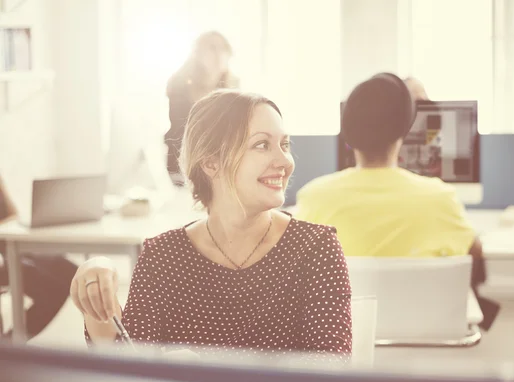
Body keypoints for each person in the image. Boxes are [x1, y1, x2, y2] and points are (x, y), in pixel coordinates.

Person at [71, 89, 353, 358]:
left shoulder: (316, 249)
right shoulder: (163, 257)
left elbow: (328, 368)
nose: (285, 161)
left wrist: (208, 375)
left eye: (284, 144)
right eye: (262, 145)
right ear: (211, 163)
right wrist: (95, 289)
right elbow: (129, 368)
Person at [294, 73, 499, 330]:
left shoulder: (314, 197)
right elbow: (473, 252)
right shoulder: (440, 198)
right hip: (424, 339)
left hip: (343, 339)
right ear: (405, 130)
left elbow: (296, 268)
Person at [0, 175, 77, 339]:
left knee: (70, 271)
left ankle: (11, 342)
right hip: (5, 259)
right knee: (50, 288)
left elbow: (12, 216)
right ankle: (11, 345)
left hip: (8, 247)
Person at [164, 31, 239, 181]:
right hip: (183, 165)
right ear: (197, 54)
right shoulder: (179, 85)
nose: (218, 54)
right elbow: (182, 130)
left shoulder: (233, 89)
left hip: (220, 169)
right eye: (212, 48)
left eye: (223, 49)